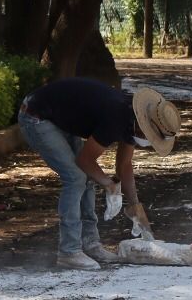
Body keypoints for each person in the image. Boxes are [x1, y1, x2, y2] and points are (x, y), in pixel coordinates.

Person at [17, 78, 181, 270]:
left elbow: (124, 165)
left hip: (59, 118)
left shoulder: (134, 118)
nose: (149, 142)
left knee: (87, 177)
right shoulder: (117, 117)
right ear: (144, 126)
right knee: (76, 178)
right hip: (36, 116)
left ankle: (91, 244)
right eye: (151, 137)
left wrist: (135, 206)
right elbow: (84, 161)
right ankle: (69, 252)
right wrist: (110, 185)